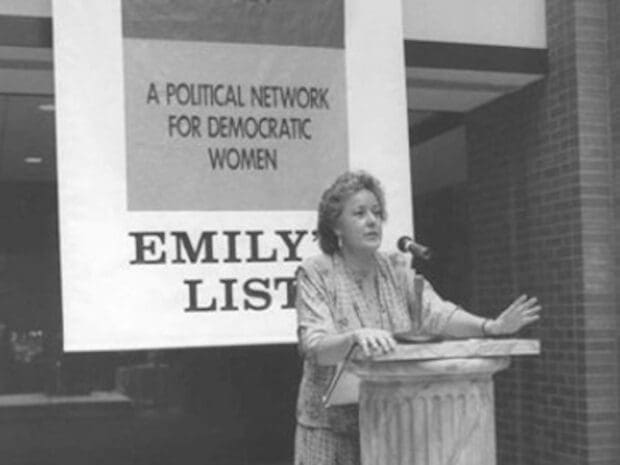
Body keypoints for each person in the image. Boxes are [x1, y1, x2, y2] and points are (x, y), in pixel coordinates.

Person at [293, 170, 541, 465]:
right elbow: (315, 346)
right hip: (328, 428)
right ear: (336, 226)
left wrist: (491, 326)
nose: (372, 220)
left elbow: (438, 314)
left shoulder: (395, 269)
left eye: (376, 212)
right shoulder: (317, 272)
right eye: (359, 213)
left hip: (388, 417)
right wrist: (354, 339)